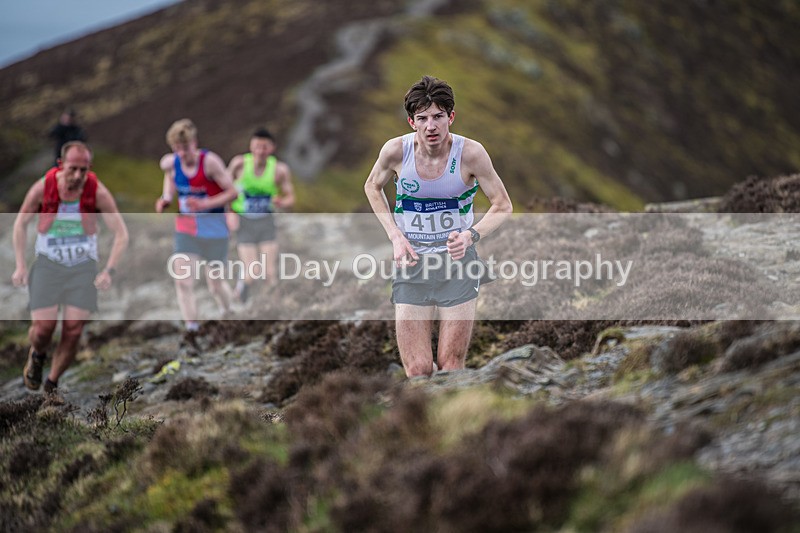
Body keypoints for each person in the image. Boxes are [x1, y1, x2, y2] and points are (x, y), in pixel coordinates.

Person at [364, 75, 512, 378]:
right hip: (412, 264)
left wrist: (471, 236)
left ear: (451, 117)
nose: (431, 126)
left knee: (450, 365)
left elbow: (503, 205)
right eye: (423, 118)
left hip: (458, 265)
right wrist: (395, 236)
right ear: (411, 122)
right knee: (418, 370)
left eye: (438, 117)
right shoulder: (395, 151)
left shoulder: (471, 154)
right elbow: (371, 187)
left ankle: (452, 419)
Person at [12, 141, 129, 393]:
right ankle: (38, 353)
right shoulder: (43, 188)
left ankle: (51, 384)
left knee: (74, 330)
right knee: (44, 329)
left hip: (82, 269)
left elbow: (121, 233)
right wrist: (21, 266)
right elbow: (20, 224)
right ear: (61, 165)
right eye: (73, 169)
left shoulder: (97, 192)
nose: (78, 176)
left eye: (83, 170)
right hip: (48, 265)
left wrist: (109, 270)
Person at [155, 119, 238, 335]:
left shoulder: (210, 162)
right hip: (187, 228)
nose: (182, 154)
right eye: (177, 149)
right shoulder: (171, 162)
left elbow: (232, 192)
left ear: (195, 143)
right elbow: (169, 175)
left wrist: (205, 203)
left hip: (215, 230)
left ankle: (228, 311)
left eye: (186, 148)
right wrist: (166, 197)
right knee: (182, 280)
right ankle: (192, 329)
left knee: (215, 284)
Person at [226, 127, 295, 302]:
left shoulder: (279, 170)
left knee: (270, 273)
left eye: (264, 147)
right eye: (257, 146)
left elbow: (290, 198)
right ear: (251, 146)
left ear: (272, 148)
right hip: (245, 222)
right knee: (253, 271)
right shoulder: (239, 164)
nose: (260, 151)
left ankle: (271, 309)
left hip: (266, 221)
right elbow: (224, 189)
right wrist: (229, 213)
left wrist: (282, 202)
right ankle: (242, 288)